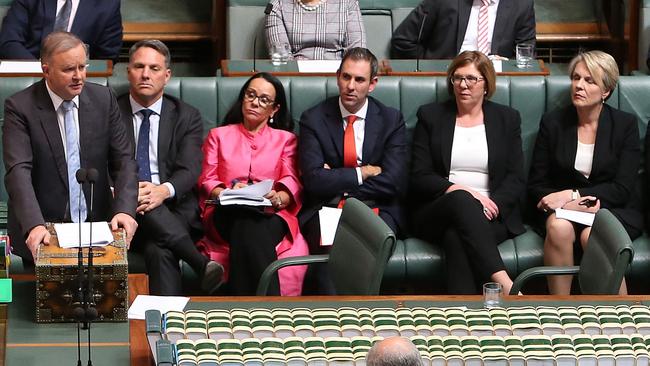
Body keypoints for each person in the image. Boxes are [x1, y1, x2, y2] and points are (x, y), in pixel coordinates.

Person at [2, 31, 137, 263]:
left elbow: (124, 161)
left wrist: (124, 209)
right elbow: (18, 172)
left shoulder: (103, 99)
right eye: (68, 70)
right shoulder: (21, 107)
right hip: (45, 228)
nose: (78, 77)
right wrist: (34, 224)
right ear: (46, 71)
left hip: (98, 227)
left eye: (82, 67)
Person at [409, 51, 525, 295]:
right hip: (437, 209)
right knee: (462, 200)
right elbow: (420, 175)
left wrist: (490, 205)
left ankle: (463, 316)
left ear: (486, 85)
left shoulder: (506, 119)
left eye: (471, 78)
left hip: (491, 214)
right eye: (457, 78)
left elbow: (515, 178)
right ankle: (506, 285)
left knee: (456, 238)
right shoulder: (431, 116)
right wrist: (462, 191)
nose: (463, 85)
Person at [528, 50, 643, 295]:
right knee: (559, 228)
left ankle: (617, 316)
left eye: (589, 81)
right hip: (563, 213)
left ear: (606, 91)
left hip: (612, 208)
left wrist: (573, 195)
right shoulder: (553, 123)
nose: (578, 85)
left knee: (594, 235)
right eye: (576, 78)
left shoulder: (625, 125)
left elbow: (622, 188)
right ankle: (559, 310)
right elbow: (537, 184)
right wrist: (568, 205)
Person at [117, 40, 223, 296]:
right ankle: (199, 264)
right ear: (128, 71)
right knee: (138, 198)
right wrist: (126, 193)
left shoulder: (186, 115)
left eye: (154, 68)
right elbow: (97, 162)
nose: (145, 74)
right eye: (139, 66)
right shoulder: (109, 111)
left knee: (160, 249)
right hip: (120, 210)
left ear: (167, 76)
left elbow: (190, 169)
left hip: (172, 210)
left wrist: (162, 192)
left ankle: (160, 328)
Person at [299, 47, 407, 293]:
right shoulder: (313, 118)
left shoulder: (391, 119)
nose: (351, 86)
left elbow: (394, 181)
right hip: (326, 207)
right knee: (331, 254)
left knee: (369, 251)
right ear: (338, 76)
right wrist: (363, 172)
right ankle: (330, 324)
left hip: (377, 206)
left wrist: (336, 178)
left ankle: (365, 323)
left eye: (359, 79)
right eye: (346, 77)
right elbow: (314, 181)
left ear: (372, 84)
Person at [196, 72, 308, 296]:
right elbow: (207, 179)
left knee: (250, 223)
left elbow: (291, 181)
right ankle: (273, 309)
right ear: (243, 97)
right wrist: (227, 192)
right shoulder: (218, 136)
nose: (255, 102)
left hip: (270, 213)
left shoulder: (285, 139)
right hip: (225, 213)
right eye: (251, 95)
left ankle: (241, 303)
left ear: (274, 109)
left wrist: (277, 198)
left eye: (264, 99)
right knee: (244, 217)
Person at [391, 0, 535, 59]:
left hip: (497, 81)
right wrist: (433, 63)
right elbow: (403, 41)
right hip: (448, 77)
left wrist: (506, 66)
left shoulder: (521, 5)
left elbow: (526, 54)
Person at [0, 0, 122, 60]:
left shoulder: (107, 4)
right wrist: (42, 69)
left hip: (76, 78)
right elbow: (9, 42)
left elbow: (107, 56)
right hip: (31, 70)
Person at [265, 0, 366, 60]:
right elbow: (282, 58)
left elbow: (357, 54)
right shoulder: (277, 6)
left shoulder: (348, 3)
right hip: (297, 76)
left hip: (340, 76)